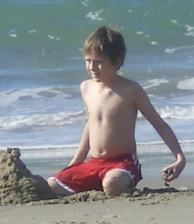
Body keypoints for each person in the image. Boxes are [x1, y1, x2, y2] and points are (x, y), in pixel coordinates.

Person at [47, 26, 186, 197]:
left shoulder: (130, 90)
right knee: (51, 186)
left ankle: (120, 184)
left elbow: (159, 125)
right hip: (94, 162)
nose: (92, 67)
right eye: (88, 60)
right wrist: (77, 160)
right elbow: (91, 124)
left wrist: (179, 158)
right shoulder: (86, 87)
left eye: (98, 62)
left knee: (112, 184)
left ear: (117, 61)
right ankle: (97, 183)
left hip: (123, 163)